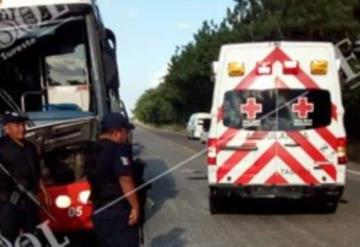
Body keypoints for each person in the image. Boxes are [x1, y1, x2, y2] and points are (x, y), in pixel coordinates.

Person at [85, 113, 140, 247]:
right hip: (117, 210)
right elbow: (125, 179)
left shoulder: (91, 150)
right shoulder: (118, 149)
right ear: (116, 132)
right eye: (126, 132)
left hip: (99, 209)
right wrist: (135, 207)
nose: (127, 136)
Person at [0, 112, 50, 243]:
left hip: (29, 200)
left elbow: (36, 172)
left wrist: (43, 190)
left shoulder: (30, 147)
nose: (22, 128)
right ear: (6, 128)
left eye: (23, 124)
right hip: (7, 203)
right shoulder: (1, 147)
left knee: (33, 236)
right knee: (9, 238)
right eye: (17, 125)